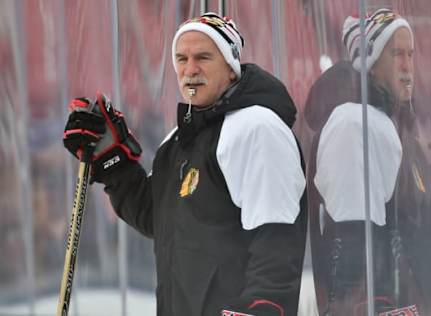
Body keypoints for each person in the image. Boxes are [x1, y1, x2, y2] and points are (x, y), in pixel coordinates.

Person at [62, 12, 307, 316]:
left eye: (203, 57)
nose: (190, 70)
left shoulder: (256, 128)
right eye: (181, 59)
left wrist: (263, 308)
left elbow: (278, 235)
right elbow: (158, 217)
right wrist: (112, 159)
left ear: (231, 68)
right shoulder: (177, 141)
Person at [305, 8, 431, 315]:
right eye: (396, 54)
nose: (407, 66)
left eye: (410, 54)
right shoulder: (353, 123)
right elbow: (355, 243)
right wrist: (379, 306)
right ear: (370, 65)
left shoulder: (394, 126)